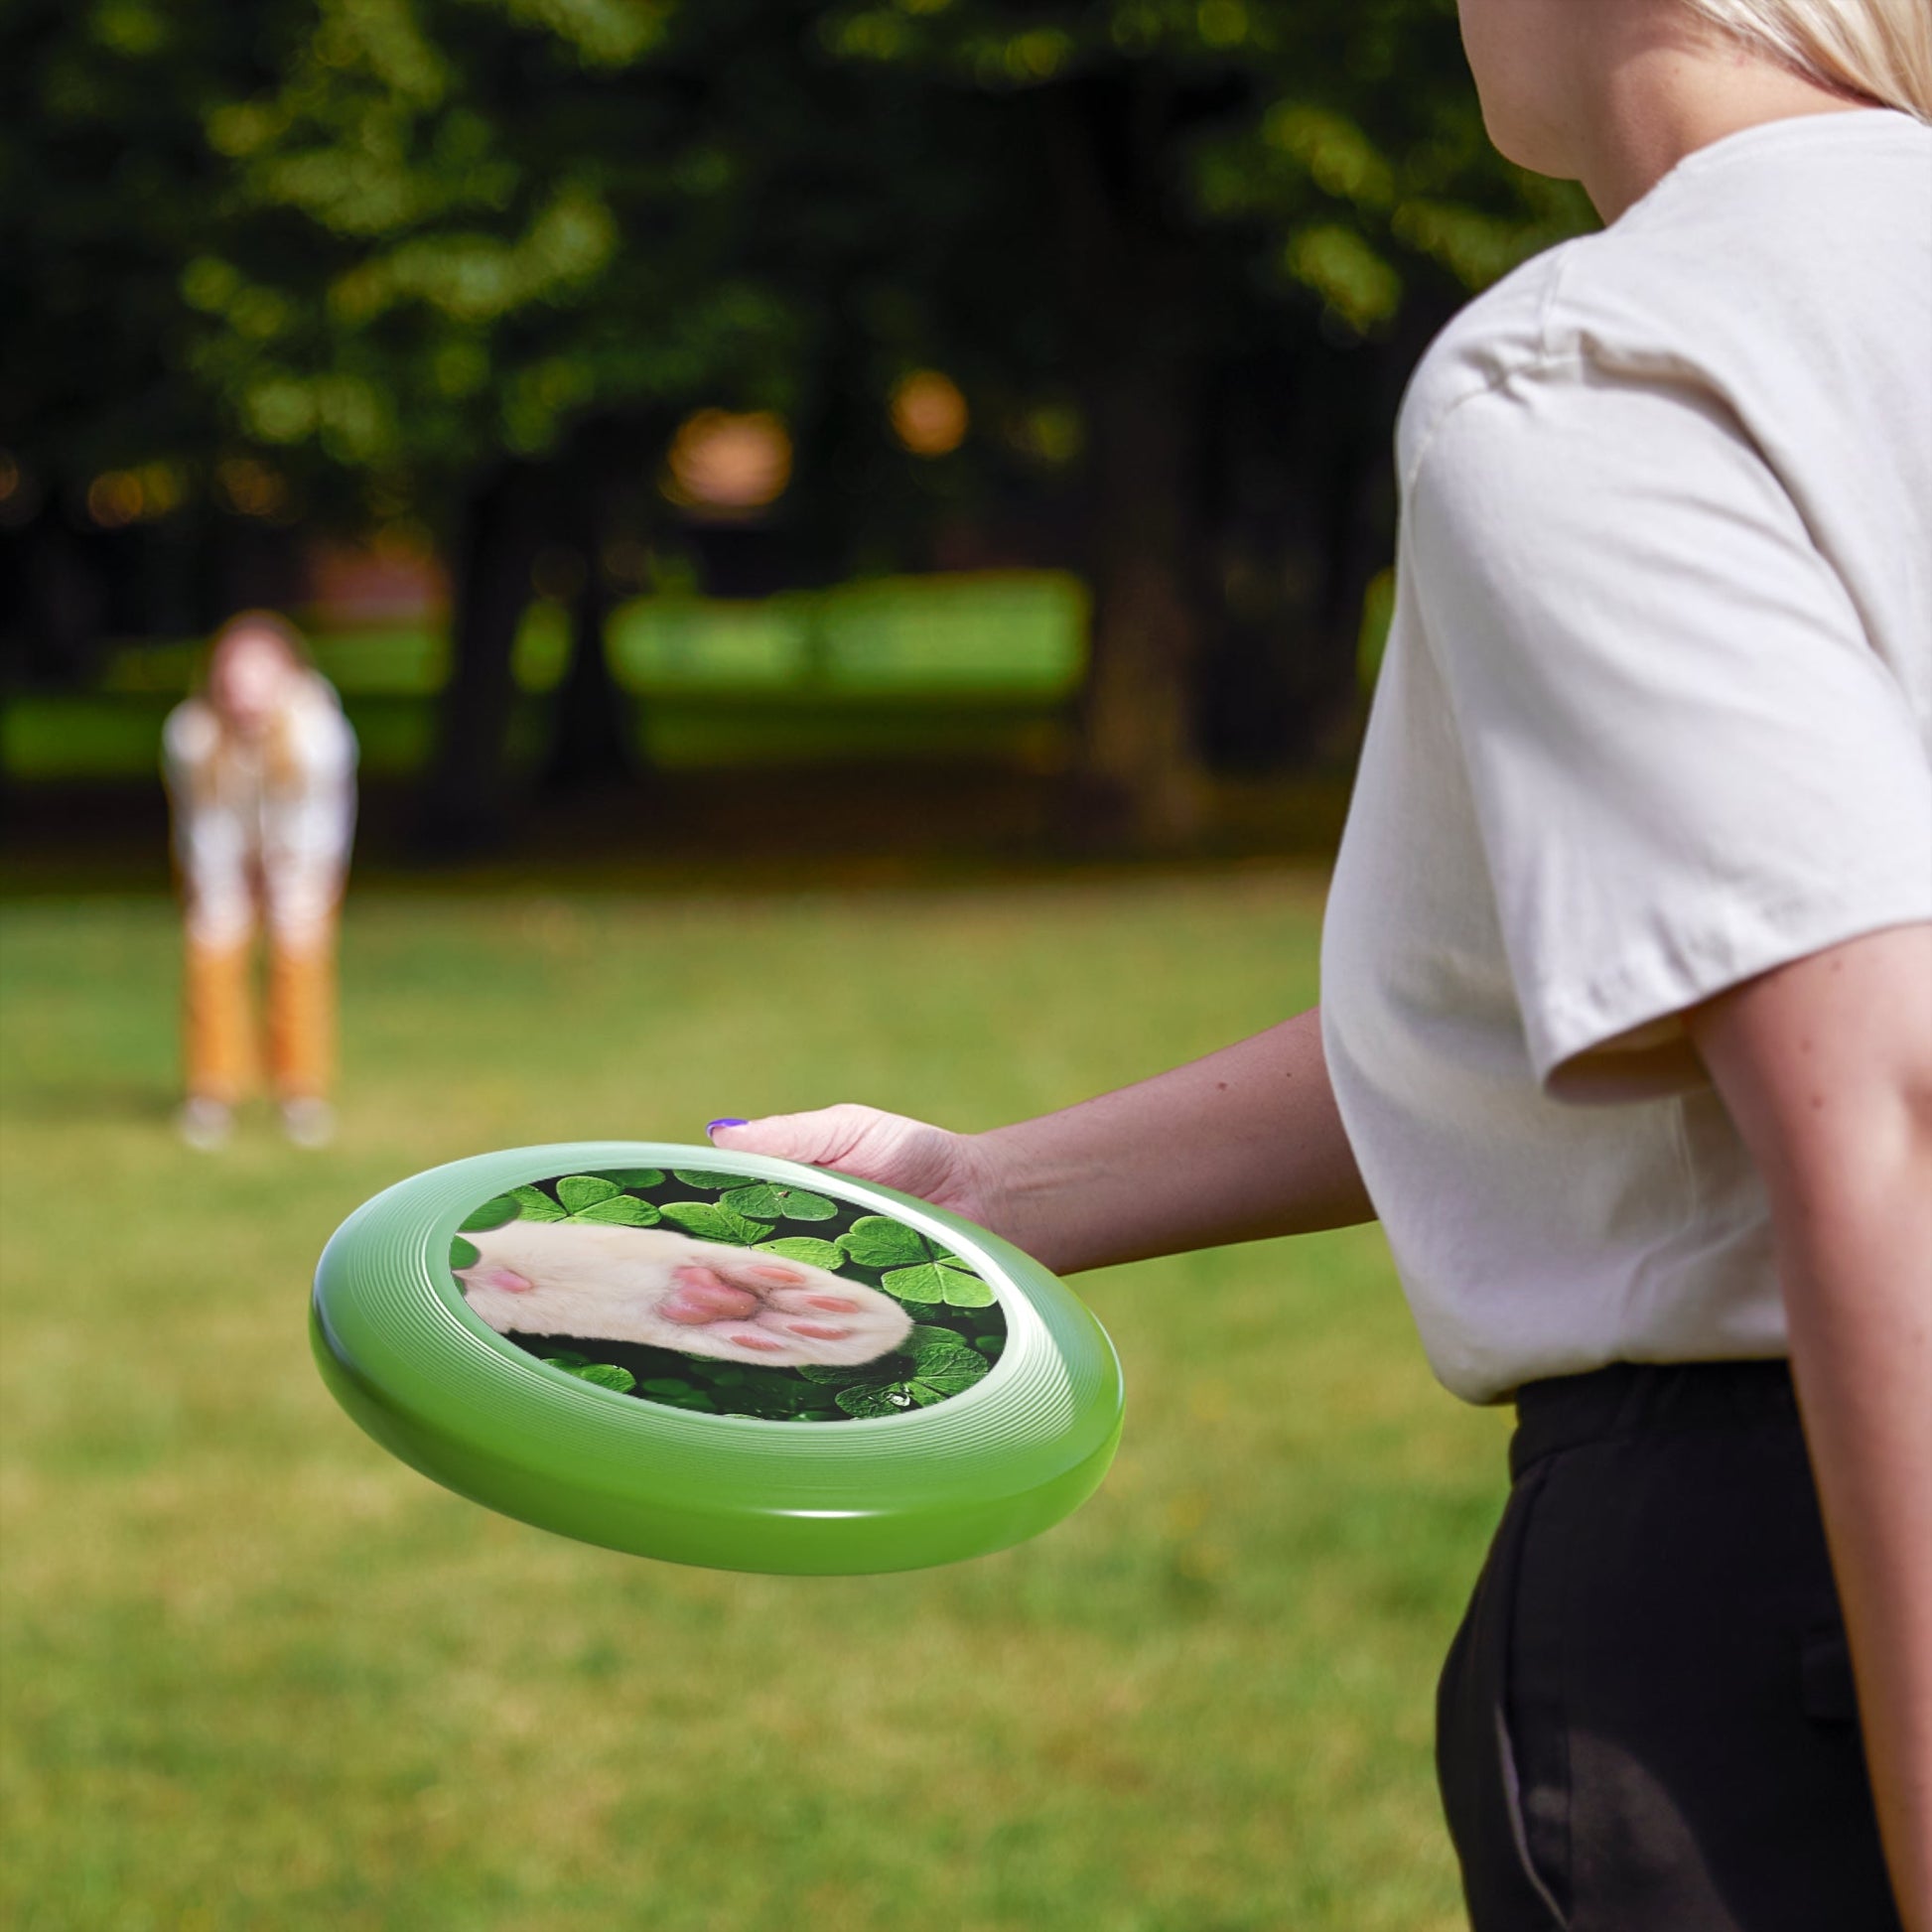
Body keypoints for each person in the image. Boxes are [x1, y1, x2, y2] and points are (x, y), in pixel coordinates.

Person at [704, 2, 1932, 1925]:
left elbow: (1884, 1103)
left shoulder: (1611, 362)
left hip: (1795, 1592)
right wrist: (986, 1189)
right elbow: (1648, 988)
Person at [162, 611, 357, 1150]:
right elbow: (204, 823)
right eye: (234, 675)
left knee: (299, 959)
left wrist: (287, 879)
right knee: (212, 952)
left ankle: (301, 1093)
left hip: (302, 859)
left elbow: (318, 823)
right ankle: (212, 1092)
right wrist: (224, 885)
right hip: (221, 858)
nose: (244, 690)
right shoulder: (191, 734)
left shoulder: (319, 733)